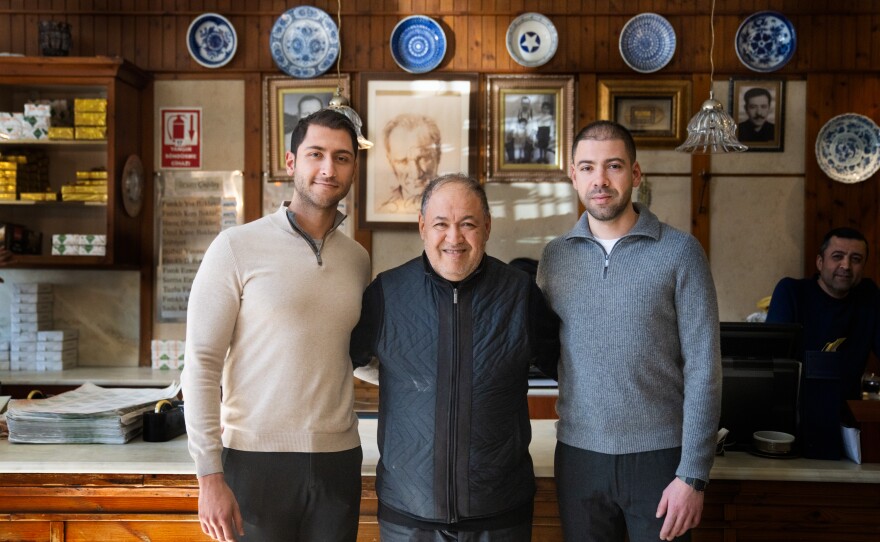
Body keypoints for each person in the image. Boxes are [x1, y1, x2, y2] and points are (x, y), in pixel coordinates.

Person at [182, 109, 371, 542]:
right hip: (254, 463)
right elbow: (201, 364)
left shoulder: (357, 259)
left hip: (338, 461)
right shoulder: (235, 247)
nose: (328, 168)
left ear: (354, 169)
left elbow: (356, 356)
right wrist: (208, 474)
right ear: (291, 163)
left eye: (342, 158)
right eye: (316, 154)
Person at [537, 120, 721, 542]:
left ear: (635, 174)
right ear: (573, 175)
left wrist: (693, 474)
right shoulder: (555, 257)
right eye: (587, 168)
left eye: (613, 166)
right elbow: (548, 349)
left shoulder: (680, 252)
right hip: (579, 457)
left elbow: (704, 369)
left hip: (660, 460)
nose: (599, 180)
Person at [350, 174, 560, 541]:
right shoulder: (387, 293)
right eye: (441, 225)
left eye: (467, 224)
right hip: (407, 515)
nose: (454, 238)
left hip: (500, 516)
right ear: (422, 227)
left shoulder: (521, 294)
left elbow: (567, 367)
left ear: (487, 227)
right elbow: (346, 361)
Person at [766, 227, 880, 400]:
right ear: (820, 262)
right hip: (794, 410)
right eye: (837, 256)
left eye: (856, 259)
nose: (846, 265)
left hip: (848, 415)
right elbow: (772, 361)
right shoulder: (792, 292)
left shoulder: (869, 296)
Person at [379, 113, 442, 214]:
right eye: (403, 161)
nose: (415, 174)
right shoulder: (384, 209)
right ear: (390, 162)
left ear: (438, 156)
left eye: (423, 158)